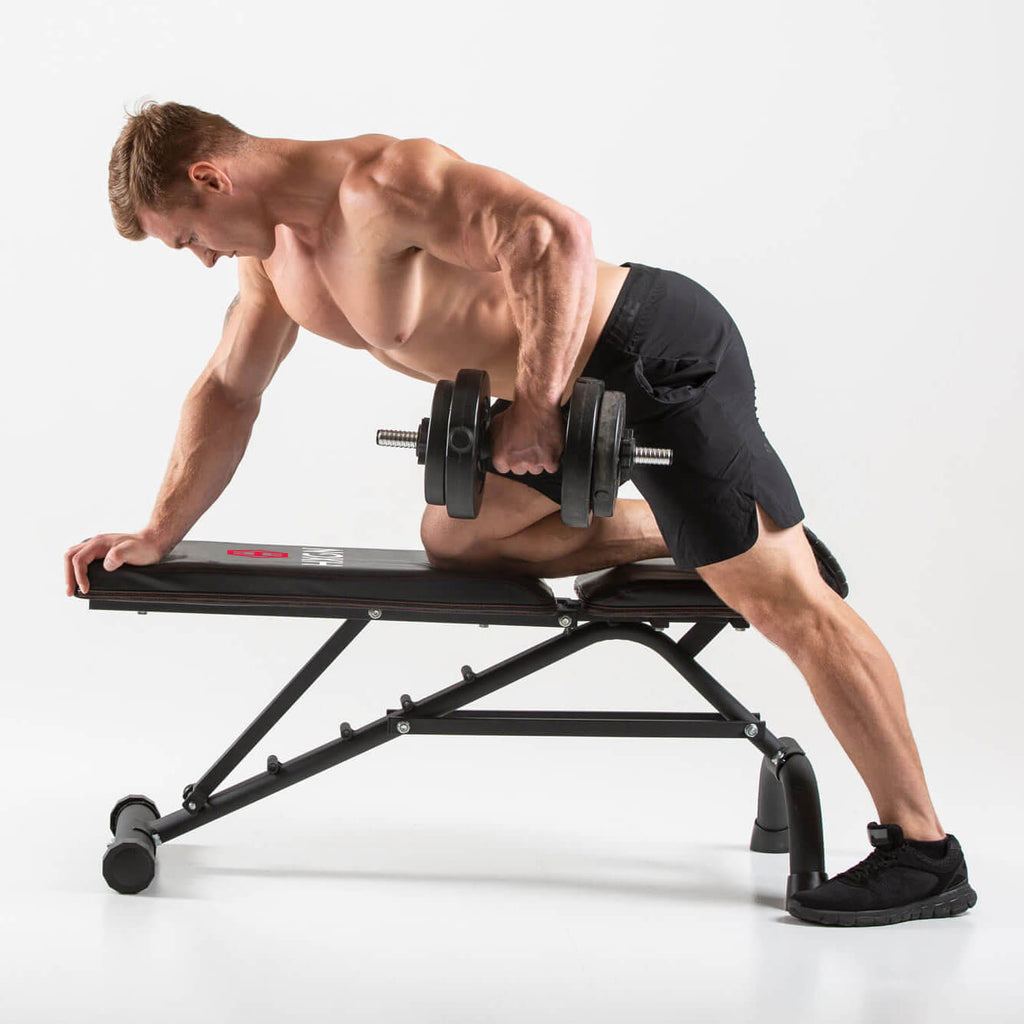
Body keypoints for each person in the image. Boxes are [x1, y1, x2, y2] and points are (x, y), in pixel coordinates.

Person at [64, 101, 975, 926]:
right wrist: (158, 531)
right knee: (458, 536)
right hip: (557, 412)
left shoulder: (385, 181)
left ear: (209, 178)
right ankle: (709, 533)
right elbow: (228, 390)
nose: (204, 258)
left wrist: (536, 405)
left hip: (643, 353)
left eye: (186, 237)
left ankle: (924, 851)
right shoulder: (275, 265)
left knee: (789, 608)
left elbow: (552, 235)